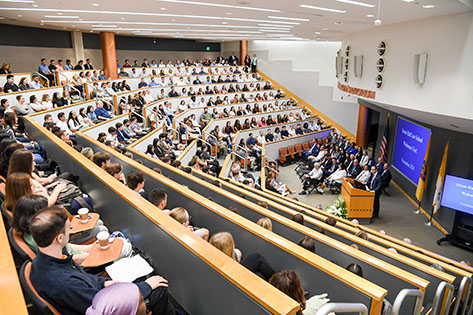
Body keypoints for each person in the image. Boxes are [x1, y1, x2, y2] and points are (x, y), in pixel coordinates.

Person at [29, 206, 175, 315]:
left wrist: (104, 283)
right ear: (60, 238)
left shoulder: (44, 260)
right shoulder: (66, 285)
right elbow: (102, 305)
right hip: (98, 305)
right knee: (159, 288)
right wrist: (146, 287)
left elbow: (84, 278)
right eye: (68, 228)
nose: (71, 229)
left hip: (95, 294)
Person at [209, 232, 275, 281]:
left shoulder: (210, 256)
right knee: (257, 260)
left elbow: (238, 252)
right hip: (232, 277)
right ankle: (278, 280)